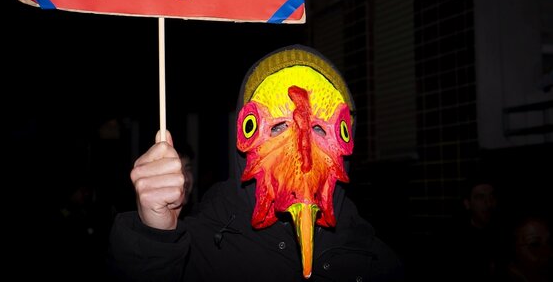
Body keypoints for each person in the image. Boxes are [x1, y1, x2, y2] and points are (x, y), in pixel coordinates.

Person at [107, 44, 404, 281]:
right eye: (276, 127)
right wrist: (154, 236)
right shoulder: (198, 252)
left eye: (319, 128)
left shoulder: (376, 264)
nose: (300, 147)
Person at [435, 174, 505, 281]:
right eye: (480, 197)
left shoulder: (504, 234)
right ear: (467, 204)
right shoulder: (453, 239)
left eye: (492, 197)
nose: (488, 203)